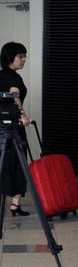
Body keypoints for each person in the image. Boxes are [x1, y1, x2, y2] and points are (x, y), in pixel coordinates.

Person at [0, 41, 30, 217]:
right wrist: (24, 117)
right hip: (14, 127)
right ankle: (15, 204)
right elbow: (15, 99)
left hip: (1, 127)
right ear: (10, 57)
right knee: (18, 164)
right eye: (21, 56)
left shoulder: (1, 75)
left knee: (4, 163)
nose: (24, 59)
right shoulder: (14, 78)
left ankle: (12, 203)